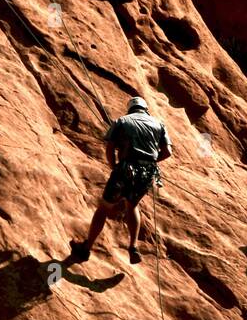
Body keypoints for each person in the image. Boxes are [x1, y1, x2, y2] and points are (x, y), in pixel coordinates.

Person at [69, 97, 172, 265]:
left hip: (125, 168)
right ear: (146, 109)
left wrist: (114, 167)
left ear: (130, 109)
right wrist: (150, 161)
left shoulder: (122, 121)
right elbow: (167, 152)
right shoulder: (159, 124)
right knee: (132, 206)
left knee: (104, 207)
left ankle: (86, 248)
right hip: (147, 173)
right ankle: (133, 247)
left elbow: (110, 147)